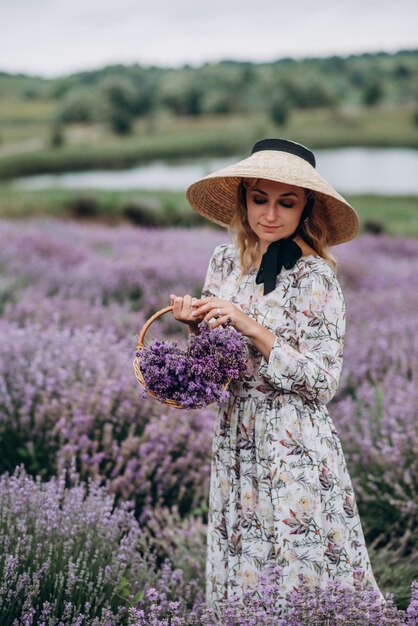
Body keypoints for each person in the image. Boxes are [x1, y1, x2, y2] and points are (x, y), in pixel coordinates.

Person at [170, 138, 382, 615]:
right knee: (244, 572)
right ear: (243, 198)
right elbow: (215, 370)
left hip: (293, 442)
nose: (270, 214)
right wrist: (194, 329)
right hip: (237, 439)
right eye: (259, 199)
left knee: (302, 573)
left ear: (306, 206)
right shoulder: (223, 262)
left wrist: (249, 324)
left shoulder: (316, 277)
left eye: (286, 202)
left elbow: (322, 382)